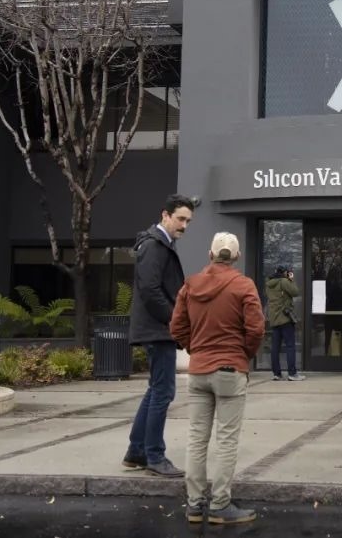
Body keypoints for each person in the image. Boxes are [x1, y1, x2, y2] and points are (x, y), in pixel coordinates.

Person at [170, 232, 265, 525]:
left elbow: (176, 327)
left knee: (196, 438)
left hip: (198, 371)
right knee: (226, 440)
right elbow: (256, 329)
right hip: (230, 371)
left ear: (210, 254)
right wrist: (243, 355)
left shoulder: (190, 285)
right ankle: (220, 504)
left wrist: (195, 349)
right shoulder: (243, 285)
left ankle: (194, 504)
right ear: (236, 257)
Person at [122, 194, 195, 477]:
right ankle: (154, 456)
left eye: (188, 221)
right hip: (158, 330)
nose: (184, 225)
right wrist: (176, 321)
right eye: (180, 219)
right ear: (165, 215)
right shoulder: (154, 245)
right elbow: (150, 290)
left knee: (156, 389)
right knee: (163, 392)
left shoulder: (159, 244)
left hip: (157, 329)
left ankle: (137, 451)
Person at [266, 266, 305, 381]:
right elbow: (295, 292)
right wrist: (291, 280)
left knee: (275, 347)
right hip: (285, 318)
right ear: (284, 273)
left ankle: (276, 374)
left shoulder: (269, 284)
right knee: (290, 346)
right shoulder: (284, 281)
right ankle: (292, 373)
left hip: (274, 318)